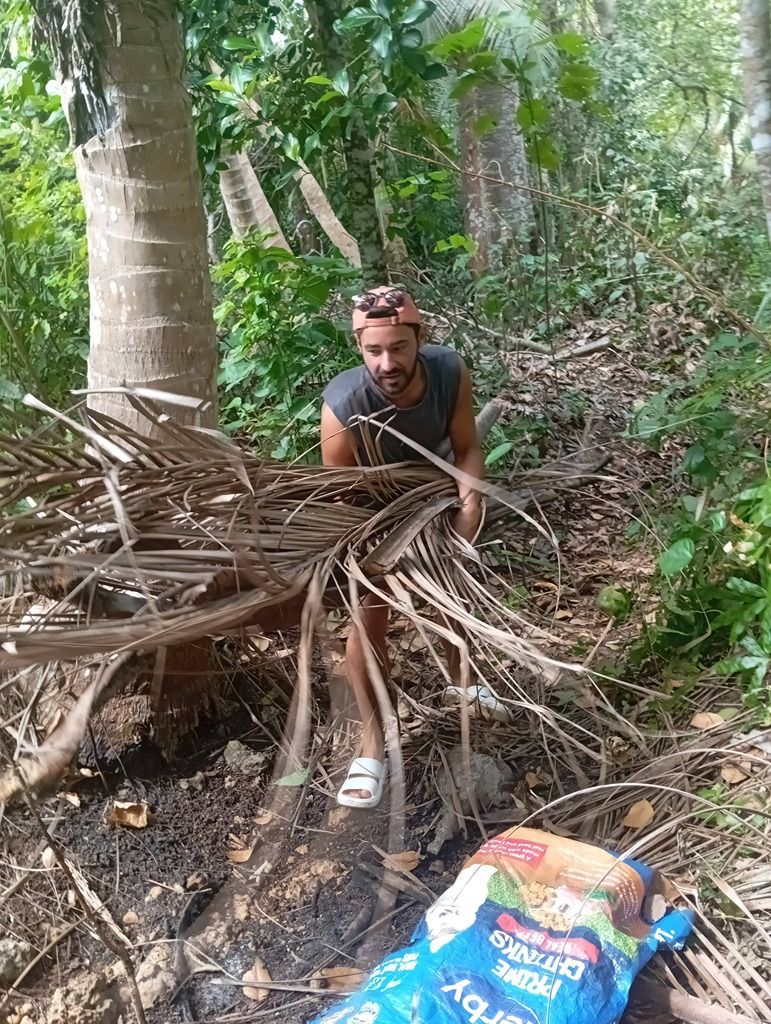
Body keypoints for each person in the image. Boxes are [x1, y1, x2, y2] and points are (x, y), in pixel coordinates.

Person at [320, 286, 484, 808]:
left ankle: (465, 685)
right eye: (374, 351)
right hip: (370, 512)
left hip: (434, 493)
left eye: (399, 348)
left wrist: (469, 504)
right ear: (360, 348)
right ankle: (372, 748)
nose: (387, 363)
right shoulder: (343, 409)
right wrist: (375, 559)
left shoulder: (450, 372)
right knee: (367, 621)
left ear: (420, 340)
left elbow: (466, 447)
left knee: (453, 585)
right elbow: (341, 499)